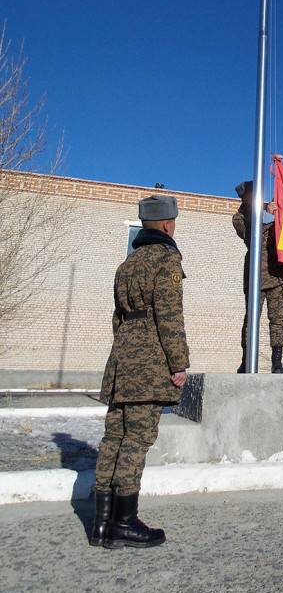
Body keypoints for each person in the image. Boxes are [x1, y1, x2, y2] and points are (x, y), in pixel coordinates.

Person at [91, 194, 190, 548]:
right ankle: (125, 522)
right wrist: (178, 362)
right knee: (136, 440)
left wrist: (124, 355)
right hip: (149, 364)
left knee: (113, 438)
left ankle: (101, 524)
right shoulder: (166, 258)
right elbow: (169, 315)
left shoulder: (127, 265)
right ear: (167, 224)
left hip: (121, 361)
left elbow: (117, 319)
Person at [233, 180, 283, 373]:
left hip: (276, 276)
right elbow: (249, 231)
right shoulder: (239, 218)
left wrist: (278, 208)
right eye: (252, 196)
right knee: (251, 319)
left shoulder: (273, 224)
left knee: (277, 319)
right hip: (255, 279)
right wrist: (262, 206)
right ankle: (246, 360)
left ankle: (276, 362)